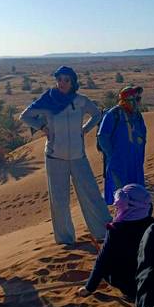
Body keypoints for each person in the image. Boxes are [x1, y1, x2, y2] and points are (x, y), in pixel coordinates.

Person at [19, 66, 111, 245]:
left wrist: (84, 130)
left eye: (66, 80)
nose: (62, 83)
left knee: (91, 193)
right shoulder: (48, 100)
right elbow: (25, 116)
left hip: (78, 156)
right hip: (55, 157)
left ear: (73, 82)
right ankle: (65, 240)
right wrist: (42, 127)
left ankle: (103, 232)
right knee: (60, 201)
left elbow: (97, 114)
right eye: (59, 79)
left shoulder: (81, 100)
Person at [77, 183, 154, 299]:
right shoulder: (152, 224)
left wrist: (89, 288)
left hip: (129, 284)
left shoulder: (115, 230)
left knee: (107, 262)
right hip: (150, 281)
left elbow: (102, 260)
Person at [97, 85, 147, 205]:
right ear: (125, 100)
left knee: (136, 195)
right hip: (119, 165)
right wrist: (112, 156)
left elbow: (142, 137)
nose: (137, 103)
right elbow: (102, 136)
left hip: (135, 164)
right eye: (134, 99)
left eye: (138, 99)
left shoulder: (137, 116)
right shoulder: (113, 114)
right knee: (121, 197)